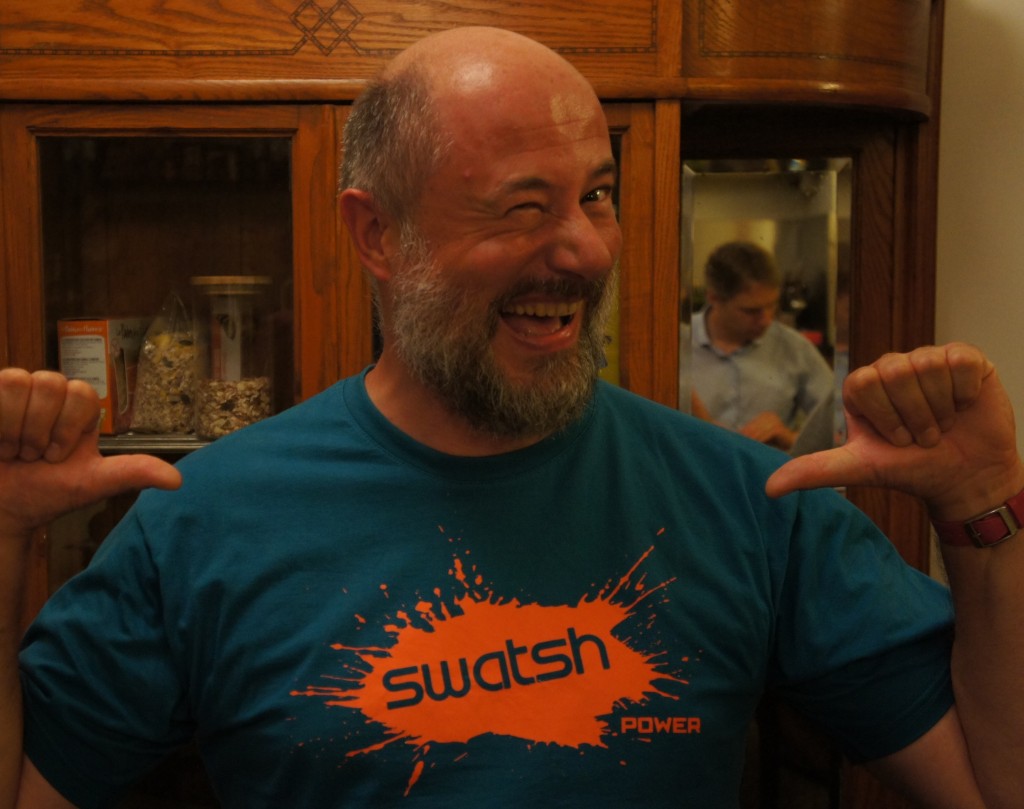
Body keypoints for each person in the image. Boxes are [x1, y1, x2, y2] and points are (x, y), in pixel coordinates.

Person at [1, 25, 1023, 809]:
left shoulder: (752, 500)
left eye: (597, 195)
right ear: (377, 233)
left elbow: (990, 783)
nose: (584, 249)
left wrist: (986, 511)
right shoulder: (199, 520)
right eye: (524, 206)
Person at [690, 240, 835, 451]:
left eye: (772, 306)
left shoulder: (795, 348)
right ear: (714, 298)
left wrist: (790, 437)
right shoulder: (675, 343)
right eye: (751, 311)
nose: (766, 320)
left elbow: (840, 428)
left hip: (771, 471)